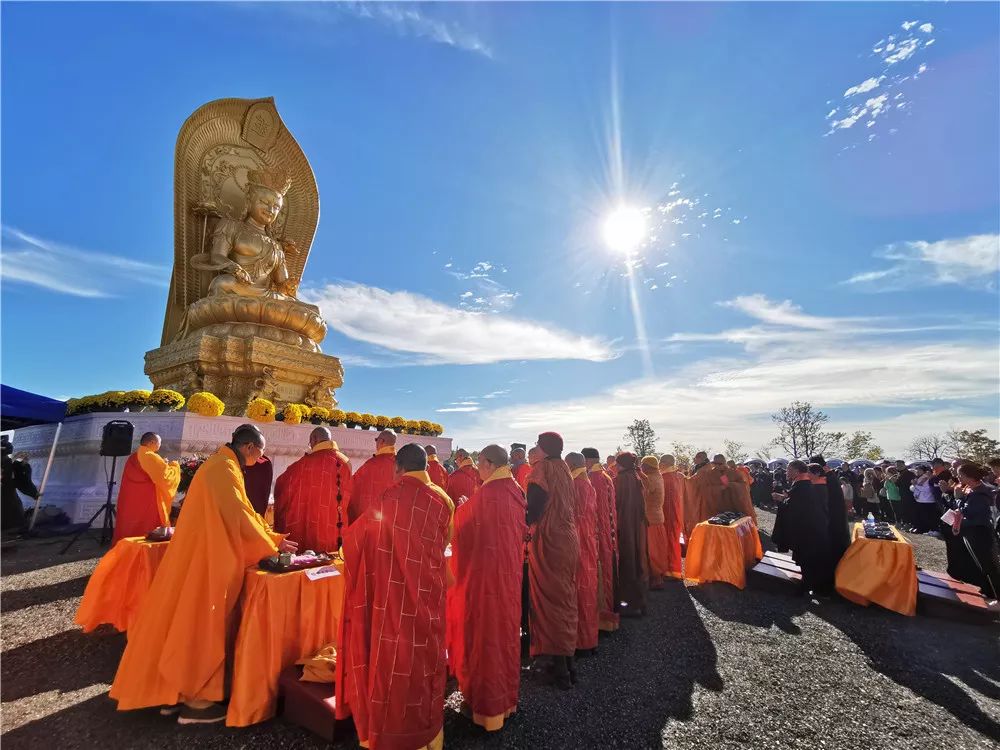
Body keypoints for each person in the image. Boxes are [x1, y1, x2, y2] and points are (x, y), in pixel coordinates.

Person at [110, 424, 294, 724]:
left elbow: (243, 511)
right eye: (260, 451)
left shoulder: (222, 465)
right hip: (208, 559)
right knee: (201, 623)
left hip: (197, 553)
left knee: (181, 618)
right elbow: (238, 516)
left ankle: (171, 693)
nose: (260, 457)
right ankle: (197, 702)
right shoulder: (224, 468)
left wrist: (270, 537)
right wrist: (273, 545)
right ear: (249, 447)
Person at [336, 443, 453, 749]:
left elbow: (355, 540)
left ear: (399, 468)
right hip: (429, 594)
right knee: (426, 659)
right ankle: (429, 733)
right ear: (426, 467)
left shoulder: (389, 498)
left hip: (394, 598)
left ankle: (394, 733)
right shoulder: (443, 500)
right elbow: (443, 544)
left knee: (395, 661)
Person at [448, 444, 525, 731]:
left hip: (484, 582)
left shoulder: (489, 494)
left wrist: (463, 507)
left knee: (484, 638)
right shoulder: (514, 488)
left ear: (490, 464)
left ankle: (485, 708)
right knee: (505, 635)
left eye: (480, 463)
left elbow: (462, 526)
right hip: (507, 577)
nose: (477, 468)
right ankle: (506, 702)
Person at [525, 432, 579, 689]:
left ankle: (555, 668)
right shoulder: (564, 468)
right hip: (568, 538)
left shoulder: (542, 469)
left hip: (549, 540)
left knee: (548, 600)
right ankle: (566, 662)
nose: (533, 449)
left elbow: (532, 510)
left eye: (536, 445)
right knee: (565, 597)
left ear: (545, 449)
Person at [273, 427, 353, 553]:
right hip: (333, 524)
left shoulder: (301, 465)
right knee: (331, 560)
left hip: (306, 525)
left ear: (314, 439)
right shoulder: (344, 461)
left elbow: (282, 485)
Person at [772, 460, 832, 596]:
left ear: (796, 471)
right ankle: (808, 583)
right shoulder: (803, 484)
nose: (786, 472)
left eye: (788, 469)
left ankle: (807, 587)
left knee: (807, 557)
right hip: (810, 527)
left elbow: (795, 508)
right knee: (806, 557)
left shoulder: (802, 485)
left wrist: (781, 500)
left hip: (806, 529)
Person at [113, 432, 180, 544]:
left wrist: (162, 464)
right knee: (145, 525)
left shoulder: (134, 456)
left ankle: (125, 544)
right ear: (152, 442)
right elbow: (165, 477)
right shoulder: (148, 455)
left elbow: (148, 472)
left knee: (130, 521)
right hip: (147, 499)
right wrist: (174, 467)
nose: (160, 445)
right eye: (159, 442)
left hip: (131, 497)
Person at [945, 463, 1000, 600]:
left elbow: (978, 518)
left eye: (960, 474)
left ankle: (997, 596)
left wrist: (958, 505)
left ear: (970, 476)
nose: (957, 477)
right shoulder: (971, 489)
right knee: (980, 565)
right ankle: (989, 591)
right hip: (971, 533)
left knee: (989, 566)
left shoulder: (981, 493)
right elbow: (966, 509)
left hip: (980, 534)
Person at [582, 448, 618, 632]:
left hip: (598, 535)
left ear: (588, 461)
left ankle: (601, 620)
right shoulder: (605, 475)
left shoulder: (594, 478)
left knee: (601, 576)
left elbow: (592, 509)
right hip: (608, 533)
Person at [566, 452, 598, 655]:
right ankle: (589, 638)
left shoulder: (576, 484)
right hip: (588, 541)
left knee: (578, 590)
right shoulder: (586, 482)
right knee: (588, 589)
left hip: (578, 542)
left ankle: (581, 640)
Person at [614, 452, 648, 618]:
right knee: (635, 562)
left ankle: (629, 604)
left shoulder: (621, 479)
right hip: (635, 526)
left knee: (626, 564)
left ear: (622, 464)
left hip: (624, 526)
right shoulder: (636, 477)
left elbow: (616, 504)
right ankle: (638, 602)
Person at [809, 456, 851, 567]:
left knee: (835, 544)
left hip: (832, 515)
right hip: (836, 513)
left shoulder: (826, 478)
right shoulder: (830, 475)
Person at [348, 430, 397, 524]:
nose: (376, 443)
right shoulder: (400, 464)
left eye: (376, 440)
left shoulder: (371, 464)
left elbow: (353, 484)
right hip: (390, 519)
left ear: (381, 441)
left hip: (370, 518)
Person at [639, 456, 670, 590]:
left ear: (649, 466)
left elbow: (649, 488)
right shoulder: (657, 476)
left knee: (652, 551)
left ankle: (656, 578)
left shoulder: (652, 477)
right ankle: (656, 576)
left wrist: (638, 473)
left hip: (651, 519)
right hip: (656, 518)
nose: (641, 467)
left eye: (642, 465)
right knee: (656, 549)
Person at [1, 438, 37, 532]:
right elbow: (23, 482)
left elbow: (22, 481)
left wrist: (34, 493)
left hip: (8, 503)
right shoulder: (12, 464)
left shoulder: (12, 464)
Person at [658, 454, 685, 578]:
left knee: (668, 541)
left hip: (667, 514)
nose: (658, 464)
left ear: (664, 464)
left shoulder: (664, 478)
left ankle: (669, 570)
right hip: (677, 513)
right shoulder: (678, 476)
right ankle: (674, 570)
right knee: (673, 541)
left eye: (660, 462)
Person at [912, 466, 940, 534]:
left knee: (928, 517)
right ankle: (921, 529)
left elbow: (927, 489)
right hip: (920, 500)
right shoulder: (920, 478)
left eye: (919, 470)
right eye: (916, 470)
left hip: (928, 500)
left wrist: (915, 485)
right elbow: (915, 488)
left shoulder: (928, 478)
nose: (917, 472)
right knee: (921, 516)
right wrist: (914, 487)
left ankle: (928, 529)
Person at [896, 460, 917, 531]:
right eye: (897, 465)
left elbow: (908, 483)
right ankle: (905, 522)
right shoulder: (898, 473)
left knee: (908, 509)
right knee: (902, 509)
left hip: (908, 494)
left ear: (904, 465)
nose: (898, 467)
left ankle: (909, 524)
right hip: (901, 494)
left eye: (900, 465)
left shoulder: (909, 473)